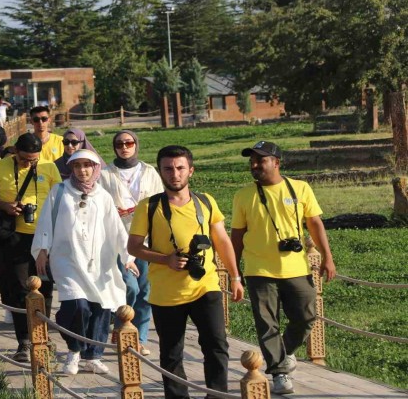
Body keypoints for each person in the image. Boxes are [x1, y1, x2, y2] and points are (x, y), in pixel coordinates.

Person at [127, 145, 243, 399]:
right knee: (171, 353)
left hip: (205, 285)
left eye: (180, 168)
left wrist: (235, 276)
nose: (175, 174)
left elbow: (222, 241)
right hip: (166, 293)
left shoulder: (205, 201)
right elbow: (133, 247)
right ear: (160, 172)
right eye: (168, 169)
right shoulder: (149, 206)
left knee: (216, 345)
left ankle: (217, 395)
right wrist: (165, 260)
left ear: (191, 170)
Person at [231, 141, 336, 395]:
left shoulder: (300, 188)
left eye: (261, 160)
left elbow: (314, 223)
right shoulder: (244, 195)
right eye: (252, 161)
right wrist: (235, 272)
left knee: (306, 317)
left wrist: (327, 257)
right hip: (259, 271)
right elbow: (237, 236)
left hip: (296, 268)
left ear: (276, 162)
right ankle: (279, 373)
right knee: (267, 324)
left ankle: (284, 351)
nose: (254, 165)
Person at [32, 149, 129, 375]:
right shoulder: (59, 191)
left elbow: (116, 229)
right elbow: (46, 221)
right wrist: (42, 250)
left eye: (87, 165)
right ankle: (74, 350)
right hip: (67, 259)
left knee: (100, 306)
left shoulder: (103, 196)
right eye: (77, 166)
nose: (82, 170)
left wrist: (128, 257)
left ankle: (93, 356)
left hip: (99, 262)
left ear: (95, 168)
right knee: (76, 306)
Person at [0, 133, 62, 362]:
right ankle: (24, 340)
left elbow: (60, 199)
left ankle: (42, 337)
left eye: (33, 160)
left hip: (43, 237)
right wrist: (5, 205)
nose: (29, 163)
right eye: (24, 159)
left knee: (45, 287)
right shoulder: (0, 166)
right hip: (13, 237)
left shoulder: (49, 167)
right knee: (19, 290)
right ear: (15, 151)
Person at [98, 130, 163, 356]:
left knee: (145, 290)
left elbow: (159, 201)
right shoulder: (105, 174)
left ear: (136, 144)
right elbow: (99, 204)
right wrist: (114, 211)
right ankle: (120, 326)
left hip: (145, 238)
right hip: (118, 240)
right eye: (119, 144)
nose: (124, 147)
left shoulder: (149, 172)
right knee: (128, 286)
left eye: (129, 143)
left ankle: (139, 338)